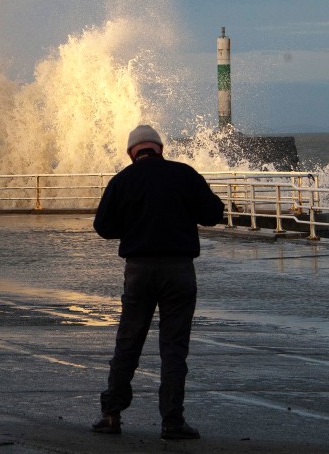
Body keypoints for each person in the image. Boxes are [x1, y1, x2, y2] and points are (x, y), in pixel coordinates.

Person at [91, 124, 224, 441]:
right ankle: (172, 422)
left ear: (132, 153)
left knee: (128, 342)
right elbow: (213, 213)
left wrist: (133, 228)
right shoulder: (183, 174)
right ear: (160, 149)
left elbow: (103, 226)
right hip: (179, 270)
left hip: (138, 270)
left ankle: (111, 415)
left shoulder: (123, 180)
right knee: (174, 348)